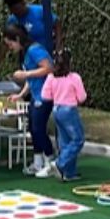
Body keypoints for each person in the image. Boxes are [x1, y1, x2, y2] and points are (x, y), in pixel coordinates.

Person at [4, 25, 55, 177]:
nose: (9, 47)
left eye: (10, 43)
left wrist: (25, 73)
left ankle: (50, 161)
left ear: (18, 39)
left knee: (39, 128)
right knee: (33, 128)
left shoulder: (34, 50)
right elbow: (30, 79)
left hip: (45, 95)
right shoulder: (25, 53)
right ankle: (38, 161)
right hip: (35, 95)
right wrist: (21, 94)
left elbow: (48, 68)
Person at [0, 0, 63, 77]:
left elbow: (57, 23)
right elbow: (5, 45)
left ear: (23, 3)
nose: (16, 13)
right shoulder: (12, 20)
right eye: (12, 11)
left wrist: (58, 46)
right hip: (28, 61)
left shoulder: (40, 12)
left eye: (17, 9)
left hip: (44, 56)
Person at [41, 49, 87, 182]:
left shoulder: (51, 77)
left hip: (56, 109)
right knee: (78, 139)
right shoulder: (74, 77)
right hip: (69, 110)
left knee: (65, 141)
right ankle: (60, 163)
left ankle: (69, 173)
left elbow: (45, 96)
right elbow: (82, 97)